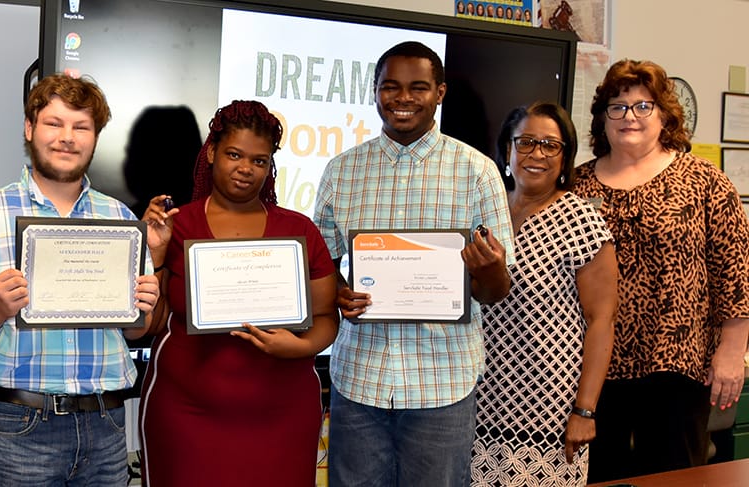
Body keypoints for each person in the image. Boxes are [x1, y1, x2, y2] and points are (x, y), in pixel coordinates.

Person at [313, 40, 514, 487]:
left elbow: (497, 290)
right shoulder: (341, 171)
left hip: (442, 380)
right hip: (359, 375)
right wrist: (339, 291)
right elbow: (321, 266)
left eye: (418, 87)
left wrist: (489, 268)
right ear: (375, 90)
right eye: (390, 87)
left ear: (440, 92)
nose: (403, 98)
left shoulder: (476, 172)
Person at [0, 73, 160, 486]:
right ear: (29, 128)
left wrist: (142, 308)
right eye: (54, 123)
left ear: (95, 137)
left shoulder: (120, 220)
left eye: (81, 127)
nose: (67, 137)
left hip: (107, 423)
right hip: (19, 426)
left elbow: (136, 330)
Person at [136, 100, 343, 486]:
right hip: (186, 414)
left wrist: (299, 347)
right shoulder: (176, 226)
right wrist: (156, 254)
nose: (246, 169)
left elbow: (327, 317)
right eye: (234, 154)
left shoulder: (300, 231)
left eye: (260, 161)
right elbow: (151, 324)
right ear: (212, 152)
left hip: (282, 416)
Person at [573, 59, 749, 482]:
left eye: (642, 106)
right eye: (616, 107)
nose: (628, 116)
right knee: (600, 476)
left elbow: (736, 271)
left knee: (674, 477)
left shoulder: (705, 180)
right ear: (602, 118)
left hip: (678, 362)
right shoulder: (578, 186)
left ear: (665, 114)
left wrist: (732, 351)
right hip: (594, 366)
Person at [469, 102, 617, 487]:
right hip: (476, 408)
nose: (537, 154)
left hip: (549, 414)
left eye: (551, 145)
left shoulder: (582, 220)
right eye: (527, 143)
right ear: (507, 150)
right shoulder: (483, 211)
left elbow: (602, 320)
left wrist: (585, 410)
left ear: (565, 156)